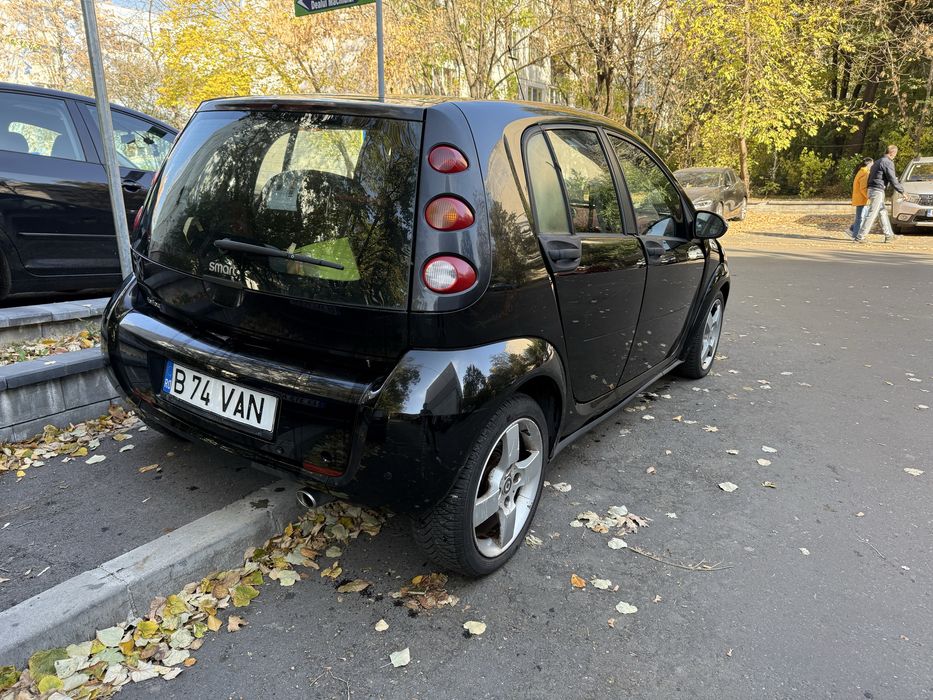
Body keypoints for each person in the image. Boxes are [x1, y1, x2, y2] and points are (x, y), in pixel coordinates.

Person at [855, 144, 904, 243]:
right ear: (892, 153)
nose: (895, 156)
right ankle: (860, 237)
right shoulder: (887, 162)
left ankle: (889, 235)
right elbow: (892, 178)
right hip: (877, 191)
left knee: (882, 212)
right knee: (872, 214)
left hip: (872, 190)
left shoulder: (877, 162)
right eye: (895, 154)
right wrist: (902, 191)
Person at [848, 157, 872, 240]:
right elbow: (863, 188)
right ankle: (856, 235)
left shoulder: (862, 171)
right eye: (872, 163)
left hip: (861, 198)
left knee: (861, 218)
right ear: (869, 164)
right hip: (862, 199)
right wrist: (869, 197)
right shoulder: (865, 172)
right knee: (860, 218)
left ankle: (852, 229)